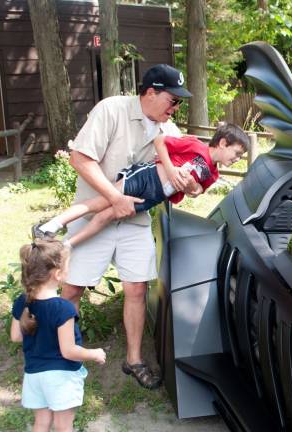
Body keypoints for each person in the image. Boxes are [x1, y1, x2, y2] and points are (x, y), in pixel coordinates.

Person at [58, 63, 191, 389]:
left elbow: (184, 169)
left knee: (136, 289)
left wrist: (189, 182)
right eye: (173, 100)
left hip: (134, 221)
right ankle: (64, 355)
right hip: (91, 216)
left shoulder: (169, 131)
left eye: (179, 103)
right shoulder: (111, 110)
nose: (176, 108)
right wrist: (113, 198)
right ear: (151, 92)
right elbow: (80, 159)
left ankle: (133, 360)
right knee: (72, 288)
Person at [33, 124, 249, 247]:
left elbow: (198, 192)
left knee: (107, 216)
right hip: (146, 177)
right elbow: (160, 141)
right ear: (223, 143)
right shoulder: (195, 145)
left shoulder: (213, 173)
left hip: (155, 196)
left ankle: (67, 246)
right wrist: (171, 169)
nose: (238, 159)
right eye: (237, 153)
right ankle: (50, 225)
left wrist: (192, 186)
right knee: (101, 202)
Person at [10, 239, 107, 432]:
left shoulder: (23, 301)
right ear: (57, 274)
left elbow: (16, 336)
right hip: (60, 378)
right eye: (68, 265)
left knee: (41, 422)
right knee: (63, 426)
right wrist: (94, 354)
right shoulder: (63, 308)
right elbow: (68, 351)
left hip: (34, 375)